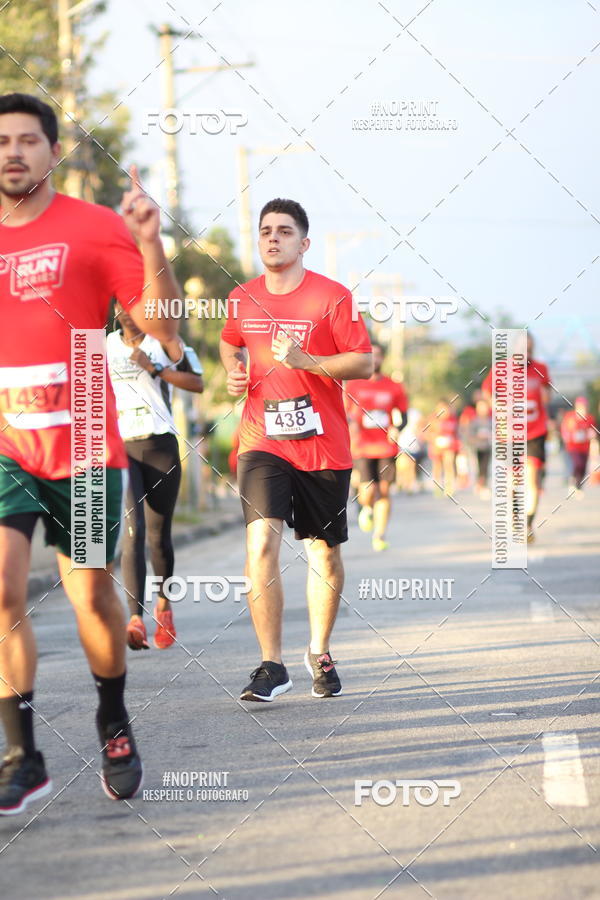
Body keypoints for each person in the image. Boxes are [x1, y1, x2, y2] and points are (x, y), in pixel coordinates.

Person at [0, 93, 179, 814]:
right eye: (2, 140)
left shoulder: (94, 226)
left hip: (81, 443)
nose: (13, 152)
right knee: (3, 590)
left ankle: (113, 719)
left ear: (52, 151)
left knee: (90, 596)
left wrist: (150, 244)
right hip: (7, 440)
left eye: (28, 141)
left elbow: (163, 332)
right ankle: (23, 752)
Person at [220, 198, 372, 702]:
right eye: (265, 230)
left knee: (323, 555)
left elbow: (364, 363)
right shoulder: (241, 297)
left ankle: (320, 650)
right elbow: (229, 340)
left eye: (284, 231)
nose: (272, 238)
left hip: (323, 447)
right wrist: (233, 368)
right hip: (262, 441)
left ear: (303, 243)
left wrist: (309, 361)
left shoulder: (333, 297)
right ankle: (271, 665)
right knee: (261, 544)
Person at [107, 304, 203, 651]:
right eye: (121, 306)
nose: (127, 312)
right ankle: (135, 618)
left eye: (134, 305)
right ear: (115, 310)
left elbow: (197, 383)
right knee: (133, 530)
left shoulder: (166, 342)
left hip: (160, 445)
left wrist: (156, 368)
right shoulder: (105, 347)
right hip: (121, 448)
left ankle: (164, 604)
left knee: (159, 536)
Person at [483, 333, 551, 542]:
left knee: (531, 478)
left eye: (530, 349)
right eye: (524, 349)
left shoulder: (541, 368)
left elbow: (547, 394)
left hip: (535, 431)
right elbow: (487, 392)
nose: (527, 354)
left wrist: (543, 393)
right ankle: (516, 516)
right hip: (509, 434)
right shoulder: (501, 369)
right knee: (514, 480)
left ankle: (528, 523)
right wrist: (497, 405)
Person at [345, 342, 408, 551]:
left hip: (386, 447)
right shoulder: (354, 385)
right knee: (369, 490)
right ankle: (366, 508)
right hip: (362, 446)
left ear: (383, 359)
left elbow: (404, 416)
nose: (374, 359)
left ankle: (380, 535)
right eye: (371, 355)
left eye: (378, 355)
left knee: (384, 491)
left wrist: (397, 428)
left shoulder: (394, 386)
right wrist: (352, 424)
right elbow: (343, 412)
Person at [560, 396, 596, 498]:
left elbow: (592, 431)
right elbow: (565, 429)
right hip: (573, 446)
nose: (583, 408)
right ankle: (572, 482)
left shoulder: (589, 418)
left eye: (584, 406)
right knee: (577, 464)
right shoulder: (570, 417)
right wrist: (567, 436)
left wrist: (591, 434)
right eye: (580, 406)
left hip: (585, 447)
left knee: (583, 468)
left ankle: (578, 487)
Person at [425, 399, 460, 496]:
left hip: (449, 446)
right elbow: (426, 433)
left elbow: (456, 433)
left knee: (449, 464)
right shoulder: (433, 419)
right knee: (437, 466)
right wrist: (434, 438)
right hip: (436, 447)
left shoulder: (453, 418)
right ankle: (437, 486)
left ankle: (450, 486)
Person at [466, 397, 493, 498]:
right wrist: (478, 436)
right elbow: (469, 435)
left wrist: (490, 435)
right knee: (477, 467)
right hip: (476, 448)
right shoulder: (474, 421)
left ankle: (484, 485)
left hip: (487, 447)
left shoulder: (491, 421)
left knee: (485, 467)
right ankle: (478, 484)